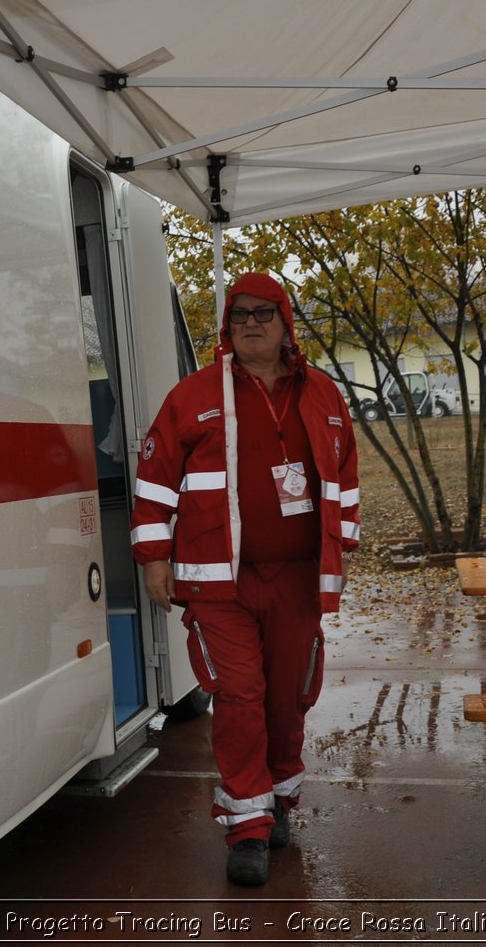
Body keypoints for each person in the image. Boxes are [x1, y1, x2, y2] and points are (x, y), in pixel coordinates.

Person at [129, 272, 360, 887]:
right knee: (238, 698)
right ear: (227, 329)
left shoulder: (324, 396)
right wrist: (154, 557)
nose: (250, 323)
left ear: (287, 324)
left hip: (297, 580)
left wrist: (344, 551)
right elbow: (152, 485)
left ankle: (280, 799)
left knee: (289, 698)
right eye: (238, 315)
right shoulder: (192, 395)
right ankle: (248, 827)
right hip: (217, 584)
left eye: (263, 313)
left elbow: (346, 482)